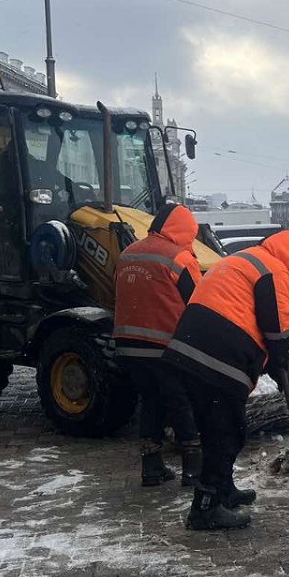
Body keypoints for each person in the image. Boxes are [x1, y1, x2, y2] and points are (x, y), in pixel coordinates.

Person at [165, 229, 289, 530]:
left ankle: (223, 491)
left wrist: (275, 369)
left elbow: (245, 314)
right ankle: (205, 508)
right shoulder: (273, 269)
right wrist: (281, 365)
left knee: (216, 429)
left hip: (189, 350)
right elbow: (276, 327)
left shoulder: (243, 260)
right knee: (228, 433)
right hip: (217, 357)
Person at [114, 203, 203, 488]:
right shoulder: (179, 258)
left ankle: (151, 469)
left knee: (151, 402)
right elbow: (198, 303)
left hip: (128, 346)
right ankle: (193, 469)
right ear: (186, 230)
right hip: (165, 346)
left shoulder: (128, 254)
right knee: (181, 403)